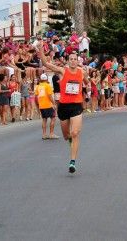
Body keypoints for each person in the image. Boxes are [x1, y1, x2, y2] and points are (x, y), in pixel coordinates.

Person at [37, 41, 89, 174]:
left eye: (75, 59)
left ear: (77, 61)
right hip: (63, 106)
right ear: (68, 60)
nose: (72, 61)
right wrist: (41, 50)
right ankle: (70, 140)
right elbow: (46, 64)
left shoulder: (82, 72)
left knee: (75, 132)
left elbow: (87, 82)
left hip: (77, 105)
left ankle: (72, 161)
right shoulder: (62, 71)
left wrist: (87, 87)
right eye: (70, 59)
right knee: (67, 136)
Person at [36, 73, 58, 140]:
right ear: (46, 79)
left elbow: (36, 96)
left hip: (41, 105)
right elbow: (50, 96)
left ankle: (44, 134)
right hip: (48, 104)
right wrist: (54, 103)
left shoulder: (38, 86)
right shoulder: (48, 86)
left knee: (44, 119)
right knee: (53, 118)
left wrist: (38, 105)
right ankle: (51, 134)